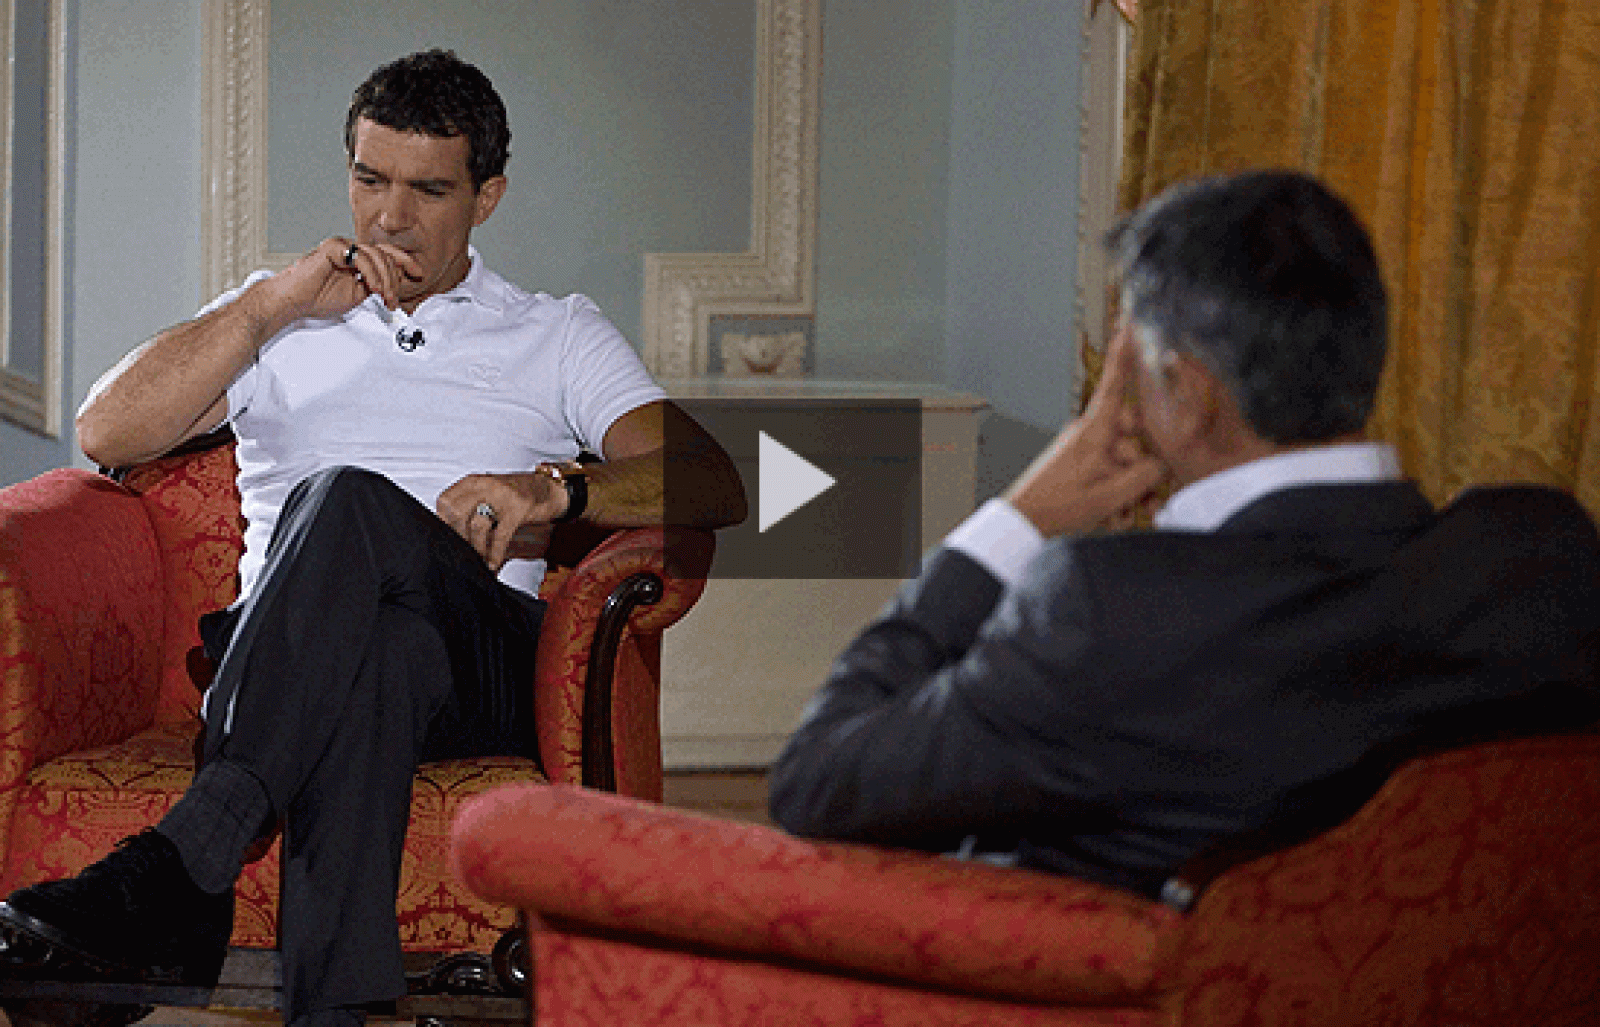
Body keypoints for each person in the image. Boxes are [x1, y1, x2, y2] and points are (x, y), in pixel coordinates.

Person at [0, 50, 745, 1027]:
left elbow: (714, 480)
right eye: (369, 178)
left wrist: (552, 489)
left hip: (477, 663)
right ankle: (332, 1013)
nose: (390, 217)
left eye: (428, 189)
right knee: (372, 657)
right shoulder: (280, 317)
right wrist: (269, 305)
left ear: (487, 196)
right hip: (286, 663)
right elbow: (108, 433)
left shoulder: (553, 332)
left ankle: (185, 860)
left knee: (347, 501)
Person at [768, 169, 1600, 905]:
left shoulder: (1106, 606)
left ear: (1190, 391)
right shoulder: (1542, 558)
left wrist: (1016, 520)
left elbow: (822, 783)